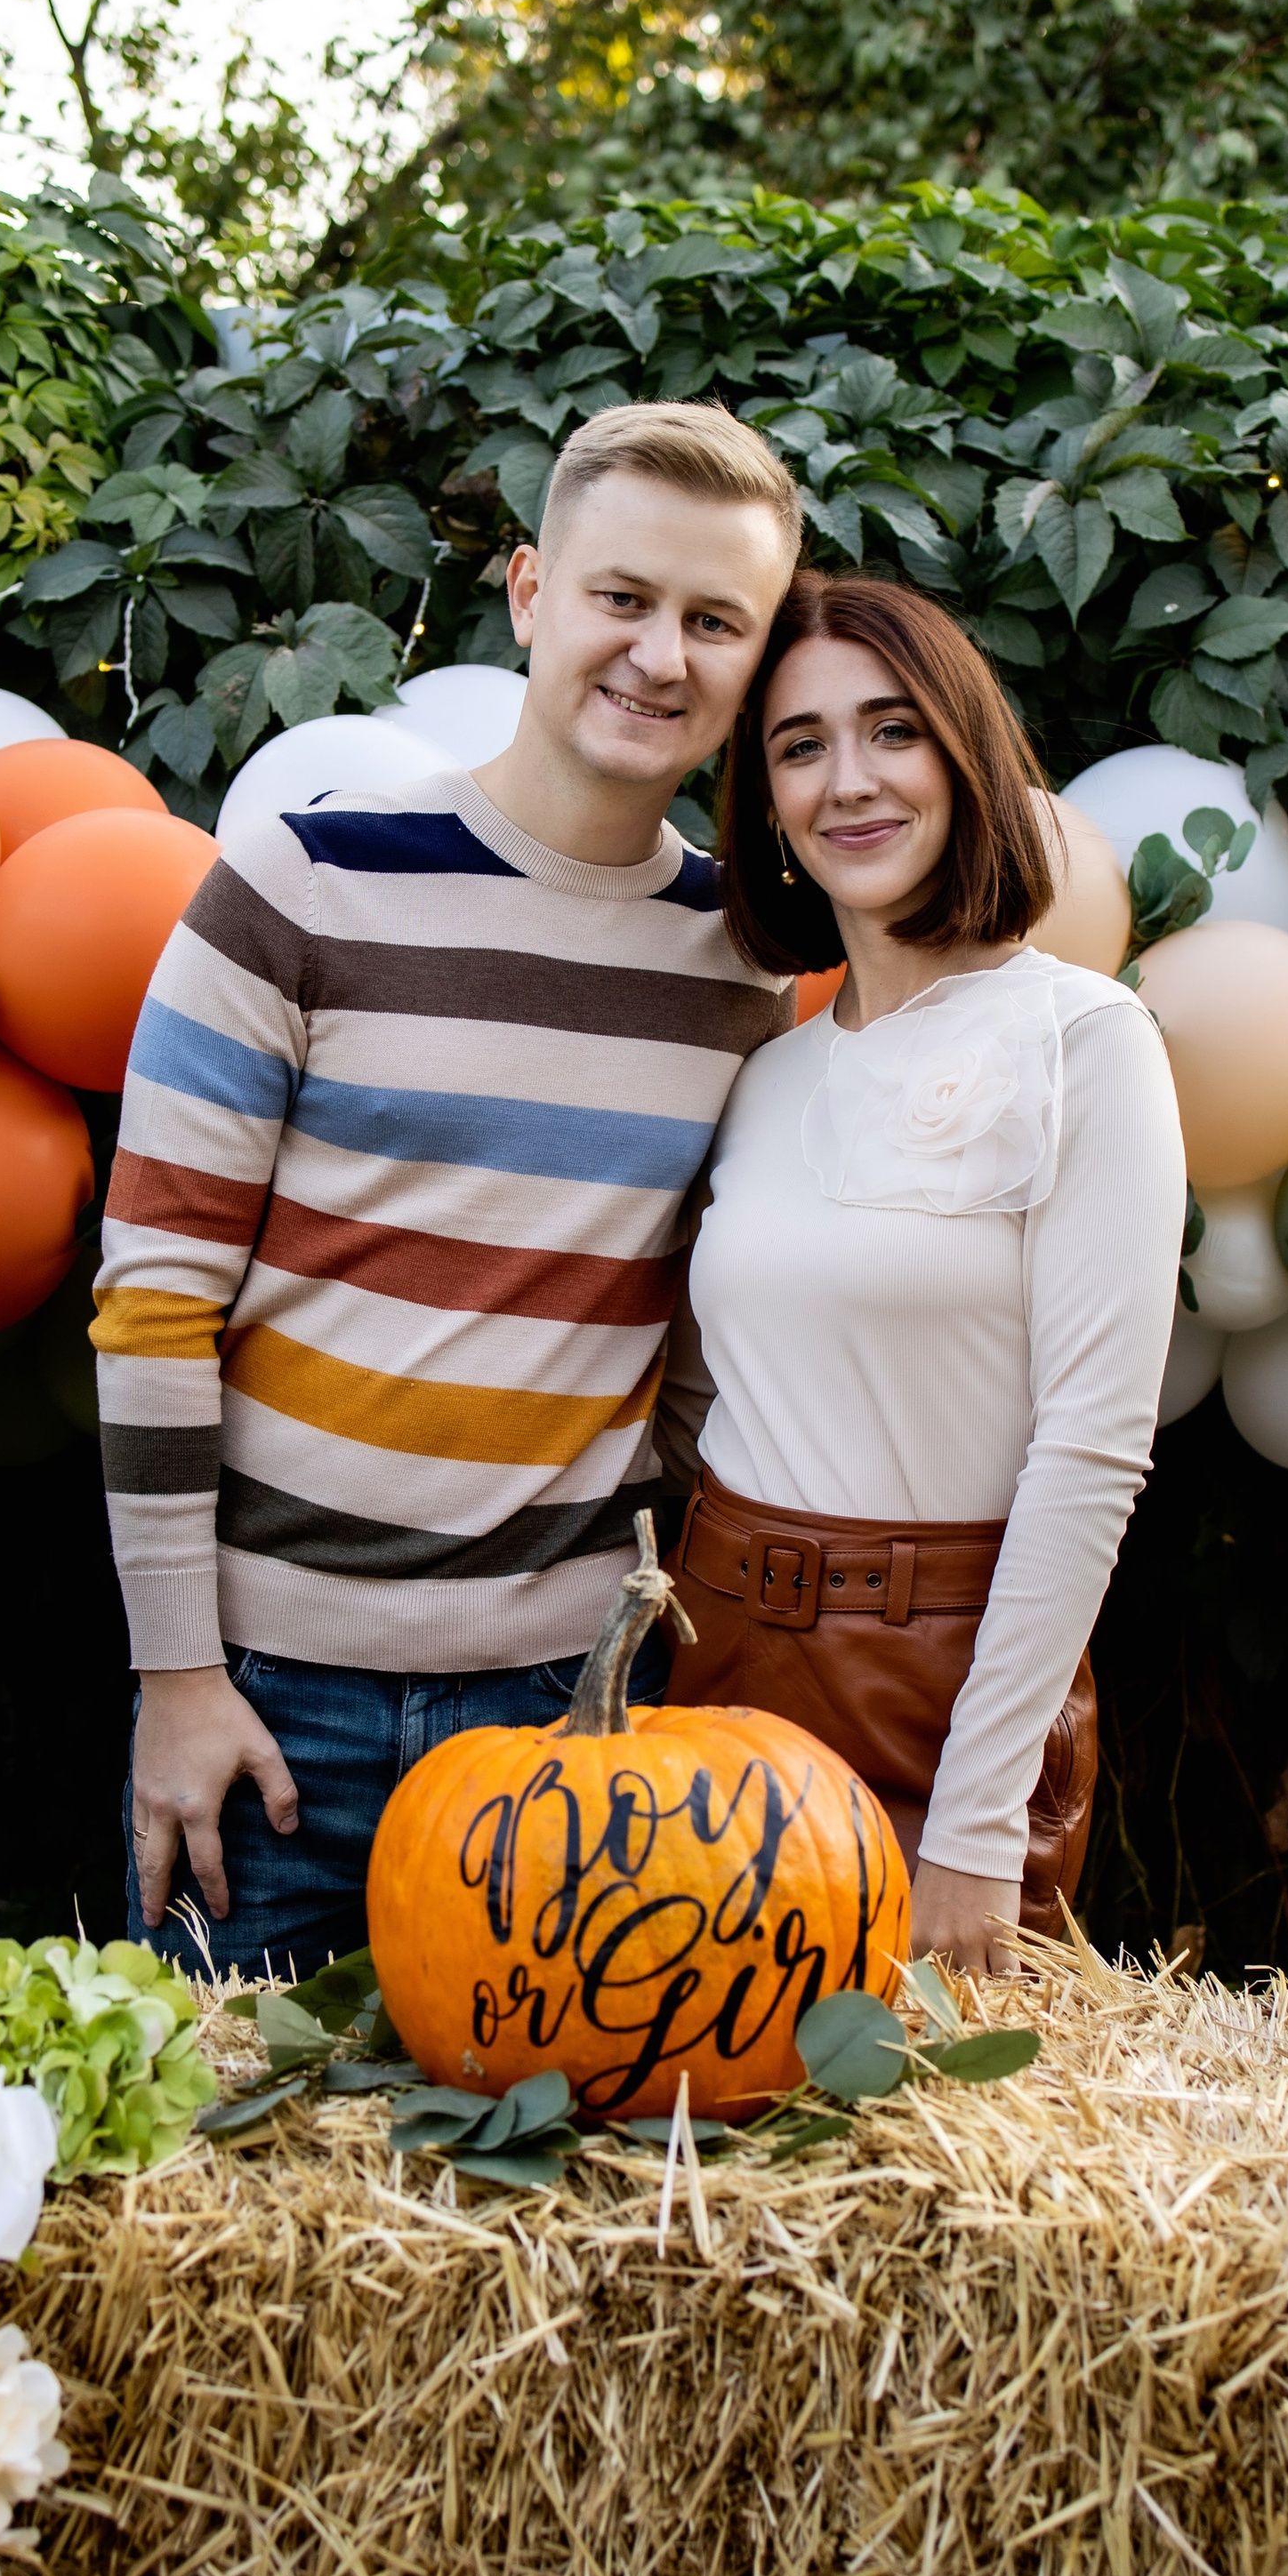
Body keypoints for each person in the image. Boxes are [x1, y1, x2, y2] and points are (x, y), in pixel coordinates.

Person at [91, 399, 802, 1976]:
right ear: (534, 595)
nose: (660, 655)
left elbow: (705, 1340)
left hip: (570, 1725)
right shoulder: (298, 884)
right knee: (234, 2212)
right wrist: (177, 1678)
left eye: (716, 621)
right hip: (266, 1711)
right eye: (623, 598)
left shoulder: (746, 976)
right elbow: (151, 1306)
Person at [658, 573, 1186, 1971]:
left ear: (966, 754)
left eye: (893, 730)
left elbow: (1090, 1453)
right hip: (715, 1665)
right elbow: (706, 1394)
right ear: (765, 804)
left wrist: (976, 1819)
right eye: (799, 745)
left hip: (937, 1690)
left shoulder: (1089, 1042)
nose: (849, 782)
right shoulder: (767, 1073)